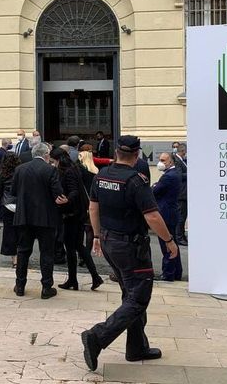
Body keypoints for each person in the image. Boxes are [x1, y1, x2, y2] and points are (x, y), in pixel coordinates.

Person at [80, 136, 179, 371]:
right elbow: (152, 216)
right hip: (130, 246)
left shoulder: (101, 175)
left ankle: (136, 347)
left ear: (115, 152)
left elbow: (93, 208)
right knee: (139, 298)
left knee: (130, 294)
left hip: (108, 240)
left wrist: (96, 236)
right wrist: (169, 241)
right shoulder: (136, 180)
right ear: (136, 156)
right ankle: (97, 336)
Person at [13, 142, 68, 299]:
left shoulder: (20, 169)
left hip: (24, 216)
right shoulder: (50, 170)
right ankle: (46, 287)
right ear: (46, 155)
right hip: (45, 217)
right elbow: (58, 194)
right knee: (46, 253)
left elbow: (14, 191)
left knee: (23, 251)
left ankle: (20, 285)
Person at [51, 148, 104, 291]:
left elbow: (74, 191)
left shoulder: (68, 172)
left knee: (71, 247)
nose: (52, 164)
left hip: (72, 214)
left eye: (53, 161)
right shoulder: (73, 168)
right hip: (77, 213)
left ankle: (78, 279)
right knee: (77, 246)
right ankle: (88, 278)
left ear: (58, 160)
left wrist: (66, 200)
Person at [152, 152, 183, 282]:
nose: (161, 163)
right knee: (172, 243)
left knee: (167, 244)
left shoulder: (168, 177)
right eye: (160, 160)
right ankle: (176, 272)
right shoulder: (174, 173)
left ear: (171, 161)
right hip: (171, 212)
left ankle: (168, 273)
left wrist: (154, 186)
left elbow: (154, 191)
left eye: (164, 160)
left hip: (166, 214)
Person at [0, 152, 22, 268]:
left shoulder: (3, 174)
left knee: (10, 232)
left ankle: (15, 259)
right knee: (21, 231)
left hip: (8, 204)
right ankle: (22, 255)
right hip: (21, 205)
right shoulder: (22, 172)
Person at [172, 143, 188, 245]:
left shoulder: (182, 160)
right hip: (181, 193)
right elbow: (178, 175)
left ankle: (182, 235)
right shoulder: (177, 161)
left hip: (184, 193)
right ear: (183, 151)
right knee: (181, 217)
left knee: (183, 215)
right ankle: (179, 237)